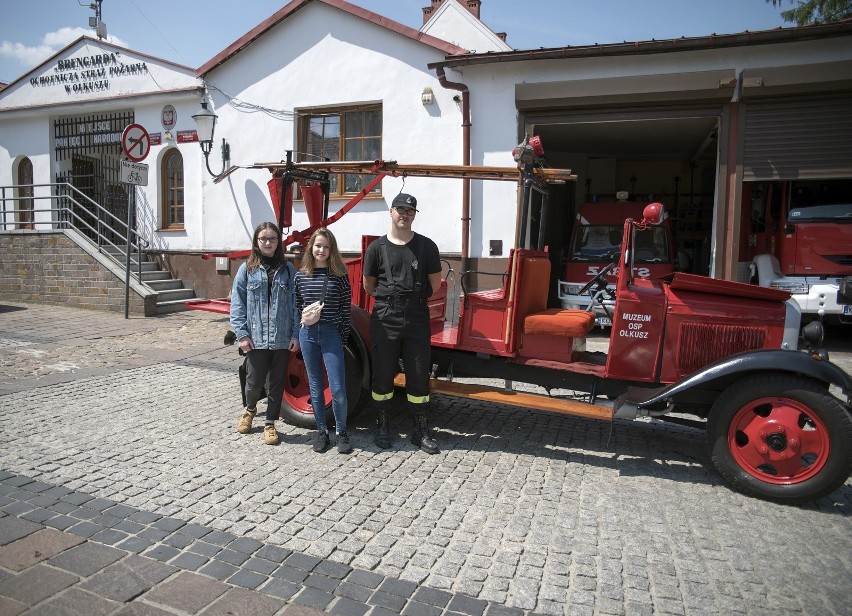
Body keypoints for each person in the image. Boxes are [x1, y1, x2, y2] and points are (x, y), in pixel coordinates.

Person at [362, 193, 442, 454]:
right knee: (383, 373)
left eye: (410, 211)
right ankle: (382, 426)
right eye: (400, 209)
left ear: (414, 215)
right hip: (386, 315)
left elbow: (435, 283)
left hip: (417, 316)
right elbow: (369, 286)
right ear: (391, 212)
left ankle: (420, 430)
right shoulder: (376, 249)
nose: (405, 214)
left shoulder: (426, 246)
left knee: (419, 375)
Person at [230, 222, 300, 445]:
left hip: (281, 338)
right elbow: (237, 303)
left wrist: (295, 334)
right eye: (263, 239)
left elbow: (296, 304)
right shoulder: (247, 269)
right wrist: (242, 334)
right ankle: (250, 410)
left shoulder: (288, 270)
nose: (268, 243)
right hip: (256, 338)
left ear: (278, 242)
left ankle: (270, 423)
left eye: (272, 239)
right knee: (254, 381)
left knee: (277, 383)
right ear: (256, 242)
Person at [295, 228, 353, 454]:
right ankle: (322, 432)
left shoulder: (339, 276)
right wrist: (301, 323)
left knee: (338, 388)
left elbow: (345, 310)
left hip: (331, 334)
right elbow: (296, 306)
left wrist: (343, 336)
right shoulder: (300, 276)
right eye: (318, 245)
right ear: (311, 247)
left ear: (332, 250)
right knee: (316, 387)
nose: (321, 250)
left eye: (326, 247)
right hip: (308, 334)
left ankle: (341, 432)